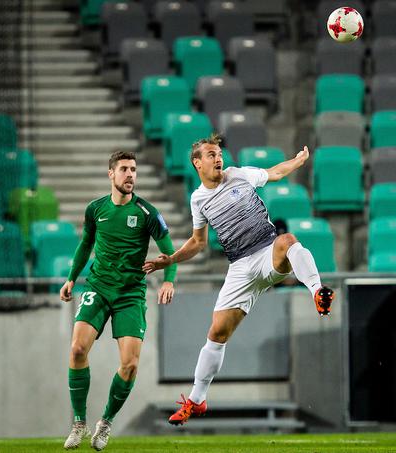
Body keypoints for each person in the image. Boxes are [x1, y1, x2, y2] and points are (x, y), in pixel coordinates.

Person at [142, 135, 335, 426]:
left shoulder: (239, 175)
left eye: (218, 153)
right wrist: (170, 260)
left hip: (267, 251)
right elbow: (198, 242)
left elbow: (275, 172)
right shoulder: (198, 199)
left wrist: (297, 161)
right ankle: (196, 400)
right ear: (197, 162)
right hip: (240, 267)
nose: (218, 158)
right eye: (210, 154)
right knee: (217, 332)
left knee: (288, 240)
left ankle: (318, 292)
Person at [60, 150, 177, 450]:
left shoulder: (147, 213)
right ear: (111, 174)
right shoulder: (95, 209)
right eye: (124, 169)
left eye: (134, 170)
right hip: (98, 287)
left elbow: (170, 253)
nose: (130, 175)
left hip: (130, 294)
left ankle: (106, 422)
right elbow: (85, 245)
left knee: (130, 365)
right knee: (76, 350)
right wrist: (72, 277)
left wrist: (169, 280)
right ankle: (78, 423)